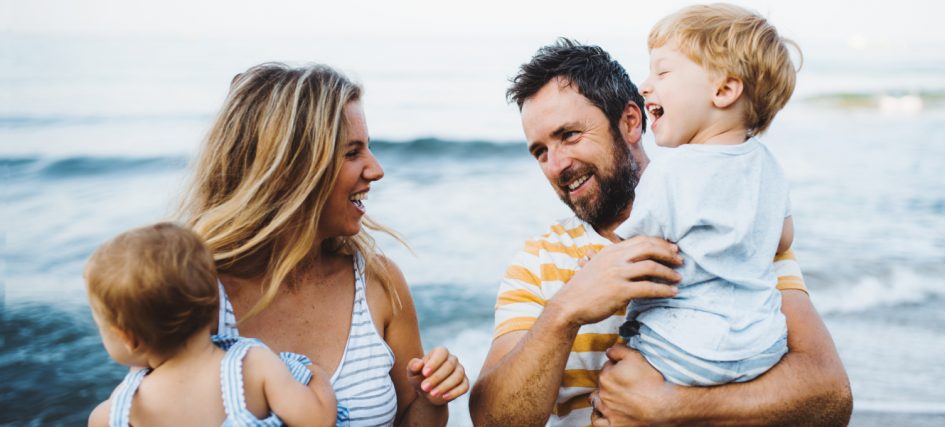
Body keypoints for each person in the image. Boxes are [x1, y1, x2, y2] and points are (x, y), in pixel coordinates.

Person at [469, 39, 851, 426]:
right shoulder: (536, 262)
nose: (557, 165)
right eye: (540, 151)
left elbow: (831, 398)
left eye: (569, 135)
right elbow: (491, 421)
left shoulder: (735, 227)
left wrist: (674, 407)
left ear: (631, 122)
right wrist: (566, 311)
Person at [177, 62, 469, 426]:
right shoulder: (197, 296)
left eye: (368, 148)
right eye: (352, 153)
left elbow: (412, 418)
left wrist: (433, 398)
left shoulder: (379, 281)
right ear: (289, 169)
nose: (376, 169)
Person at [613, 3, 799, 387]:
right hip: (762, 347)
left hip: (680, 348)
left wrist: (593, 265)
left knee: (616, 377)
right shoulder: (769, 164)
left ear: (724, 89)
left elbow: (629, 257)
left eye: (663, 71)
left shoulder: (671, 171)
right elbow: (783, 238)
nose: (645, 85)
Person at [85, 222, 337, 427]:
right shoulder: (252, 365)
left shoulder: (112, 415)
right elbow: (318, 421)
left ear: (128, 338)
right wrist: (318, 377)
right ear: (214, 304)